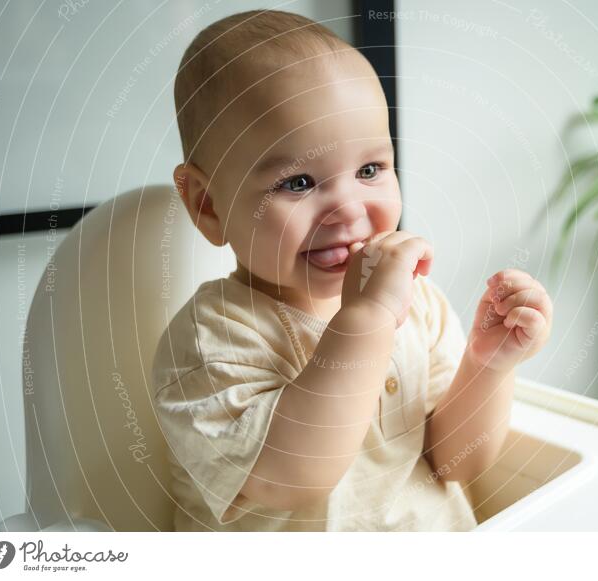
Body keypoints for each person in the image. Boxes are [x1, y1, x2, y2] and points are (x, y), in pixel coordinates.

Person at [151, 9, 553, 531]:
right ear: (209, 205)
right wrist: (367, 318)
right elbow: (295, 479)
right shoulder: (210, 341)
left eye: (369, 170)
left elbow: (457, 463)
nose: (349, 209)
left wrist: (489, 365)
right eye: (297, 182)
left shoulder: (419, 303)